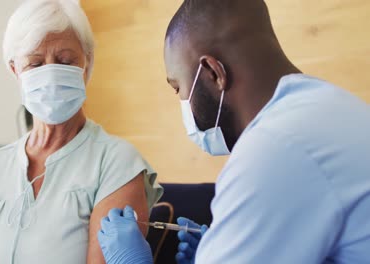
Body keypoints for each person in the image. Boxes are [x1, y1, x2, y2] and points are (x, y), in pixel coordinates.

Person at [97, 0, 370, 263]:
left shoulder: (275, 149)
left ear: (213, 73)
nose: (182, 102)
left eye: (178, 87)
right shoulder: (328, 107)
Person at [0, 0, 163, 263]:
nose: (51, 73)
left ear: (86, 64)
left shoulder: (116, 164)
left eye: (65, 61)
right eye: (35, 64)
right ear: (15, 70)